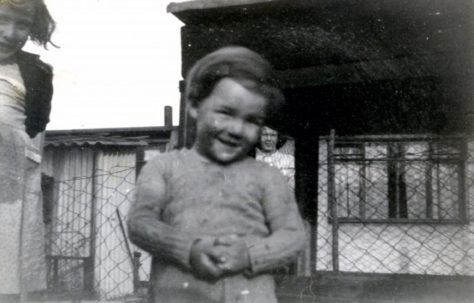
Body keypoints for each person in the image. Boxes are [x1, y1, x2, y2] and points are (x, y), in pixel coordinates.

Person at [127, 46, 305, 303]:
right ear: (194, 106)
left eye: (252, 120)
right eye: (225, 113)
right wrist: (189, 249)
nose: (236, 129)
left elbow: (293, 235)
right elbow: (140, 223)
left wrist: (249, 254)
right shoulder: (163, 167)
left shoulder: (268, 177)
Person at [0, 0, 55, 301]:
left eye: (21, 23)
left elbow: (35, 132)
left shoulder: (36, 73)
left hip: (9, 191)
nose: (10, 33)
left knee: (9, 278)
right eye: (1, 20)